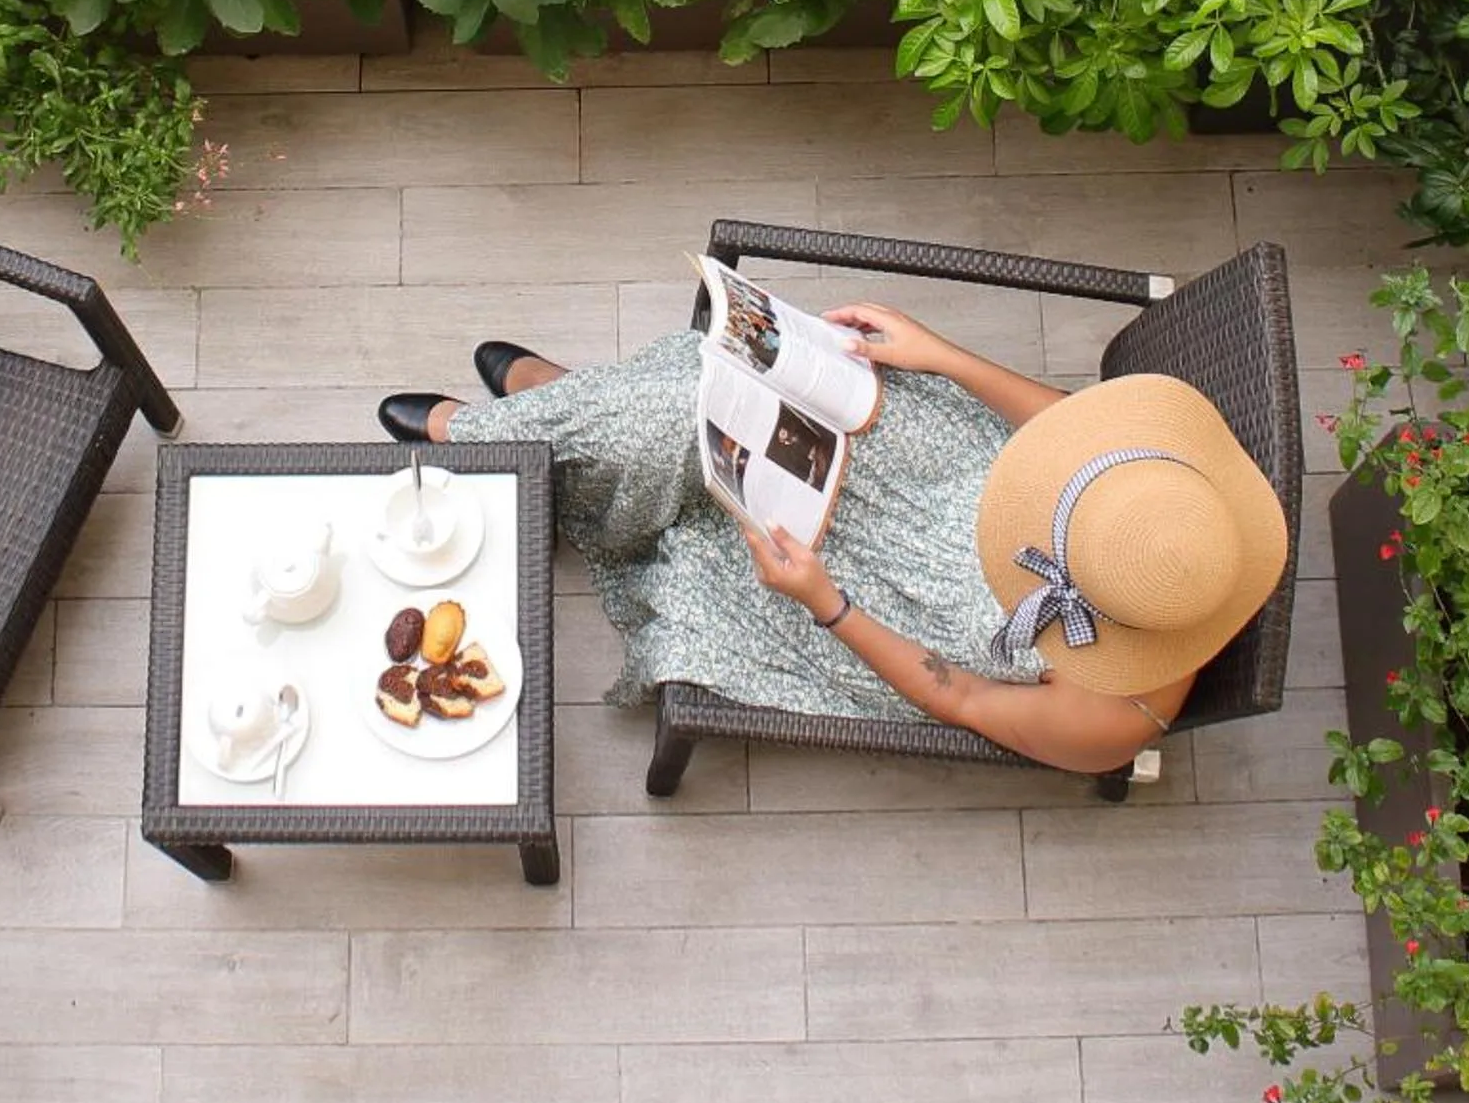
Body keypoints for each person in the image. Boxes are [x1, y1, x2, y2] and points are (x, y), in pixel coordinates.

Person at [377, 303, 1288, 775]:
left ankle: (526, 426)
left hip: (888, 597)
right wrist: (941, 353)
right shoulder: (1169, 494)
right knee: (721, 387)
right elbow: (1064, 425)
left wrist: (826, 603)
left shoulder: (1114, 718)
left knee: (697, 458)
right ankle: (555, 421)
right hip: (937, 467)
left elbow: (963, 696)